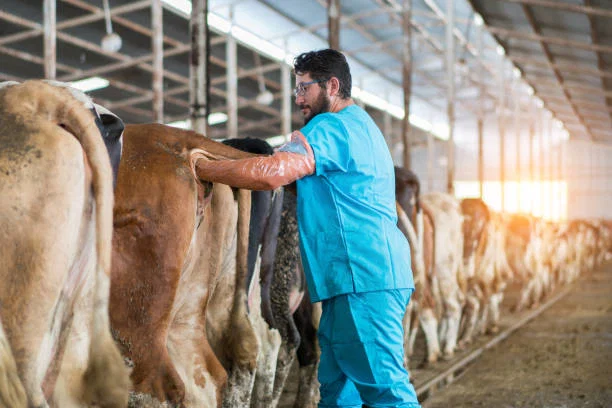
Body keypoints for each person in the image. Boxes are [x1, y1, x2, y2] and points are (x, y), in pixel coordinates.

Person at [195, 49, 420, 408]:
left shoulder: (332, 127)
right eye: (296, 89)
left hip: (360, 278)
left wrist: (200, 166)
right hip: (353, 280)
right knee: (336, 390)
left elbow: (274, 173)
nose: (298, 98)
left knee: (386, 392)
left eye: (304, 88)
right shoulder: (361, 127)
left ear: (332, 85)